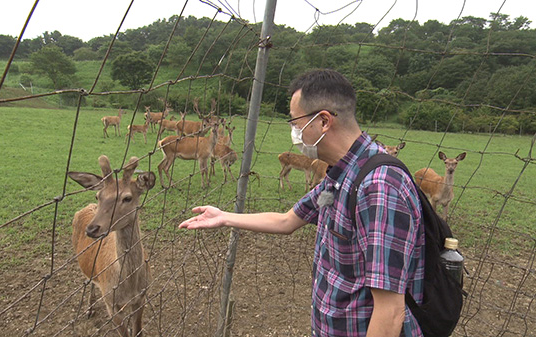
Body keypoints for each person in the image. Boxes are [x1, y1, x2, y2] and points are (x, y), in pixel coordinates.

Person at [179, 69, 425, 337]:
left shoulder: (378, 187)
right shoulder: (340, 175)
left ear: (323, 122)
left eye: (295, 122)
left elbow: (390, 312)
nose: (293, 131)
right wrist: (224, 217)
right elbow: (288, 220)